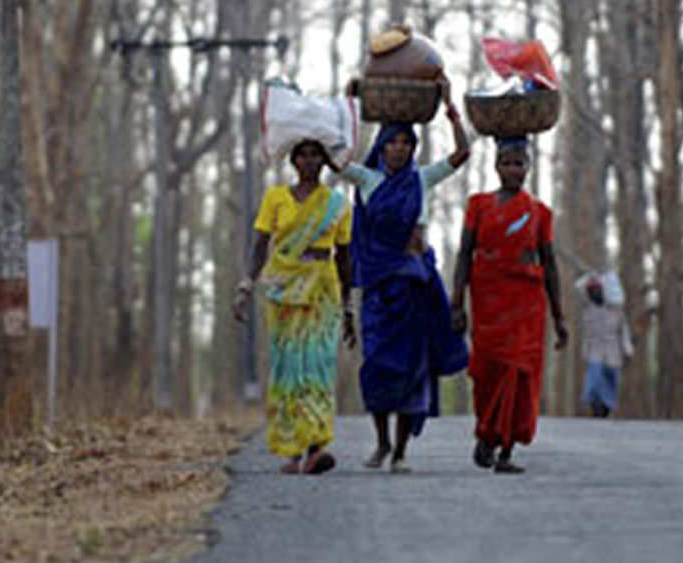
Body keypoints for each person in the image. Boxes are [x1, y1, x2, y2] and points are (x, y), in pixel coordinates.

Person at [335, 79, 470, 473]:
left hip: (415, 286)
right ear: (383, 147)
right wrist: (349, 103)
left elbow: (462, 153)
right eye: (392, 142)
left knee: (413, 368)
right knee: (378, 363)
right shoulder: (367, 180)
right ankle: (379, 443)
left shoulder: (421, 179)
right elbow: (335, 158)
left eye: (406, 143)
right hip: (379, 289)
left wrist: (448, 105)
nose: (399, 148)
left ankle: (400, 452)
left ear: (413, 149)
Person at [232, 140, 356, 475]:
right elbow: (260, 246)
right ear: (293, 160)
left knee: (316, 366)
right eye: (302, 154)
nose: (309, 160)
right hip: (283, 290)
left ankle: (316, 447)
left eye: (316, 154)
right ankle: (292, 449)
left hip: (322, 290)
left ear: (325, 160)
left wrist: (348, 308)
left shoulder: (337, 204)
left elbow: (344, 258)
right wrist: (245, 285)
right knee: (288, 368)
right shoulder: (275, 198)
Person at [451, 136, 568, 474]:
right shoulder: (478, 205)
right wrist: (457, 302)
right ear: (496, 166)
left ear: (528, 168)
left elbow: (549, 264)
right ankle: (486, 436)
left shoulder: (540, 213)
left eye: (519, 164)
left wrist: (559, 316)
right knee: (488, 373)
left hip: (526, 304)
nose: (513, 170)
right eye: (507, 163)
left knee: (519, 375)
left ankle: (506, 450)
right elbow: (463, 254)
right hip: (487, 299)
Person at [576, 272, 634, 418]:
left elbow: (623, 331)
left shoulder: (616, 310)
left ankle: (606, 407)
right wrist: (590, 276)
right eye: (591, 290)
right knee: (594, 379)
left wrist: (627, 350)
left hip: (613, 352)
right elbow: (578, 288)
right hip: (594, 351)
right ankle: (595, 406)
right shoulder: (587, 307)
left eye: (596, 289)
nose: (593, 293)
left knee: (611, 381)